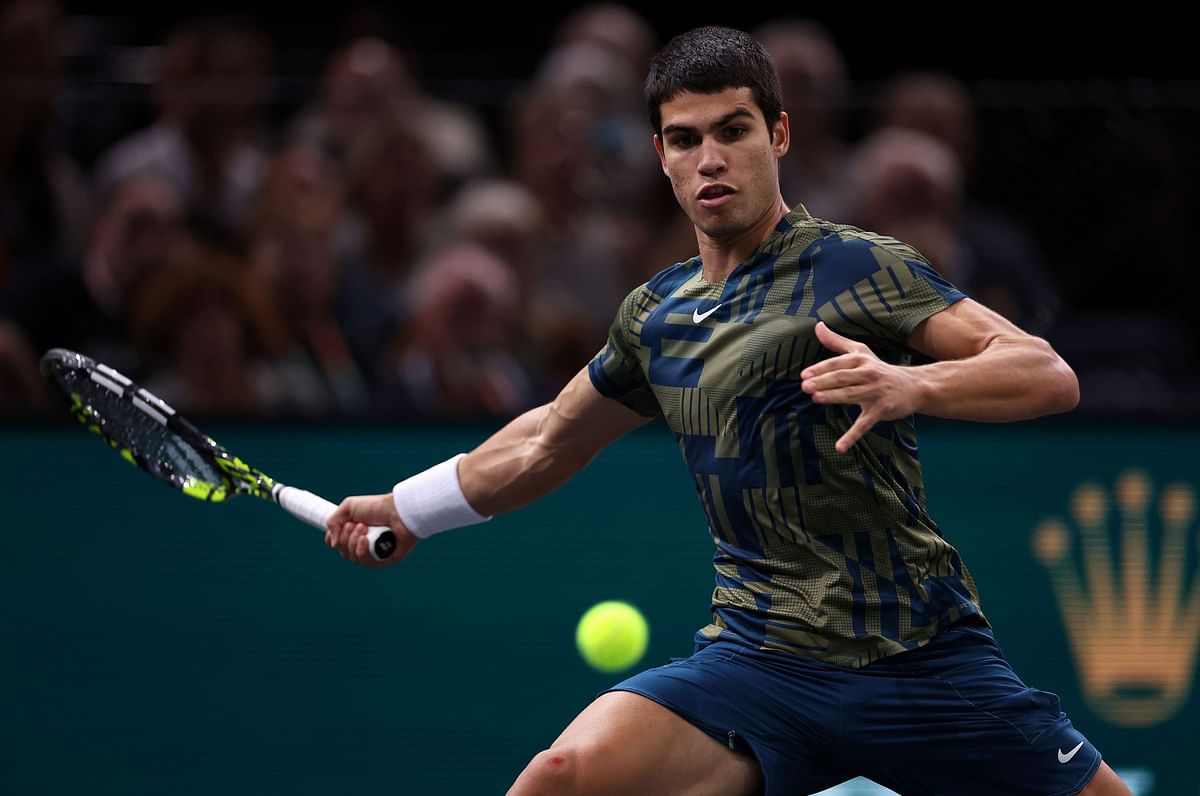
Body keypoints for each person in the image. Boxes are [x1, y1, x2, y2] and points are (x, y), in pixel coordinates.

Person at [325, 26, 1130, 796]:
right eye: (684, 139)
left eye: (733, 130)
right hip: (760, 665)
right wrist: (408, 509)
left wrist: (915, 385)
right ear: (660, 157)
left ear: (778, 135)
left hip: (916, 658)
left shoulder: (856, 264)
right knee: (563, 779)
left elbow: (1044, 370)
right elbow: (545, 440)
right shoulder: (657, 315)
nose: (710, 159)